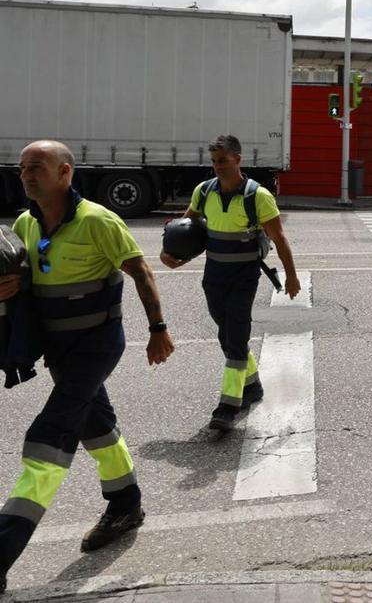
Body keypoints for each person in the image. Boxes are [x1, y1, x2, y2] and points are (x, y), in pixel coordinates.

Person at [0, 141, 175, 593]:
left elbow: (141, 271)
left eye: (36, 167)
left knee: (48, 437)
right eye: (22, 169)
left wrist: (158, 328)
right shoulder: (24, 222)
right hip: (55, 348)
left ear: (65, 171)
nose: (27, 175)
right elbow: (23, 282)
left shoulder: (99, 220)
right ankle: (125, 505)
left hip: (97, 343)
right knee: (95, 427)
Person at [160, 135, 300, 431]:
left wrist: (291, 275)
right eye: (213, 161)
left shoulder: (258, 196)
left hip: (244, 276)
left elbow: (279, 238)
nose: (217, 167)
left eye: (222, 160)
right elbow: (187, 229)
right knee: (227, 336)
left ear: (238, 158)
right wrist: (171, 253)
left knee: (235, 336)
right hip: (214, 276)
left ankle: (227, 406)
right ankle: (252, 386)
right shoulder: (204, 191)